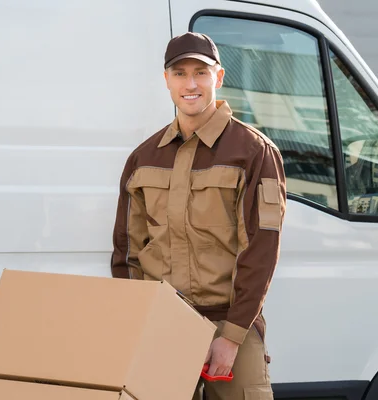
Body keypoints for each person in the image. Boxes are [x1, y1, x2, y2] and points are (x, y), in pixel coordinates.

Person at [110, 32, 286, 400]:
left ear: (218, 78)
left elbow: (261, 250)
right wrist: (143, 326)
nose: (190, 84)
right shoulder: (143, 159)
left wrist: (232, 335)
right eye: (179, 73)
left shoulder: (253, 152)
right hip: (164, 327)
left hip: (231, 324)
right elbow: (127, 255)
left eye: (200, 73)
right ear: (167, 81)